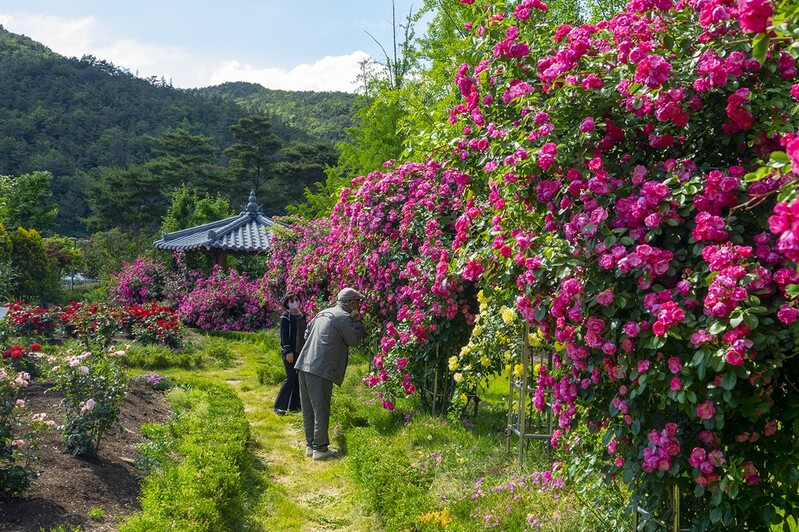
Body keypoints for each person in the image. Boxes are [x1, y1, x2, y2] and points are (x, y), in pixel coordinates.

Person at [294, 287, 365, 460]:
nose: (360, 305)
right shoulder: (344, 317)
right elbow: (354, 340)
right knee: (321, 410)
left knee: (308, 409)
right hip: (320, 368)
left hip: (304, 363)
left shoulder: (322, 313)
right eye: (358, 302)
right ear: (351, 303)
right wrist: (357, 322)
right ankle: (320, 449)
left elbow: (306, 334)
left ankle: (310, 445)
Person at [274, 291, 307, 415]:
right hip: (290, 352)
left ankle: (294, 405)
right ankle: (279, 406)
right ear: (287, 303)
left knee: (298, 378)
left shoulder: (302, 315)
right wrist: (288, 351)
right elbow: (284, 336)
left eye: (296, 300)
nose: (295, 303)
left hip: (301, 351)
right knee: (291, 377)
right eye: (292, 301)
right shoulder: (285, 317)